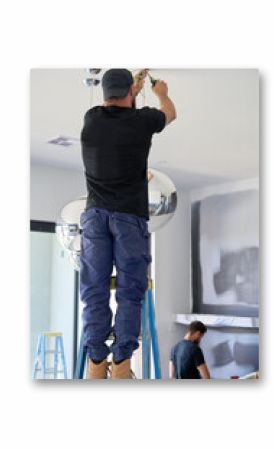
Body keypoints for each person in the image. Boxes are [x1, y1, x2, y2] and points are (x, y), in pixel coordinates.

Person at [80, 69, 176, 379]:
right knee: (129, 291)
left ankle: (96, 363)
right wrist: (160, 92)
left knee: (94, 290)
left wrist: (131, 88)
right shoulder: (142, 121)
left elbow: (118, 103)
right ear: (131, 95)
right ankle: (121, 365)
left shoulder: (92, 118)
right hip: (129, 219)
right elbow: (170, 114)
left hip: (95, 217)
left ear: (104, 94)